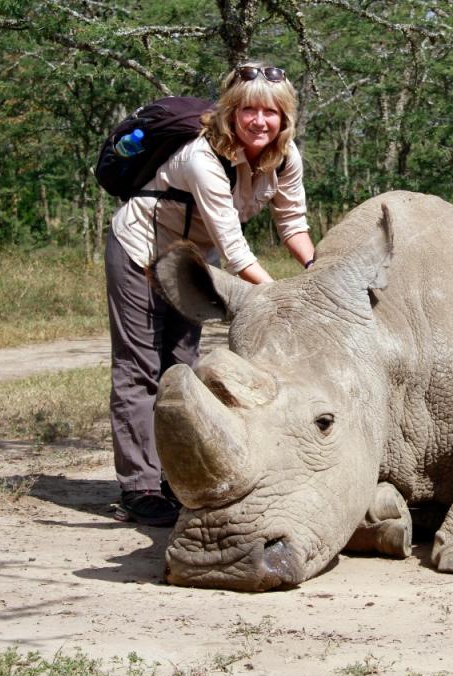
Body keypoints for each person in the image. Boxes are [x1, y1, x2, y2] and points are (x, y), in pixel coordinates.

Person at [105, 62, 316, 526]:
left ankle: (174, 476)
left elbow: (293, 224)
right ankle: (140, 487)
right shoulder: (203, 156)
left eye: (271, 112)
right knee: (139, 366)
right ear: (231, 112)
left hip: (193, 259)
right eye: (248, 110)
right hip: (140, 248)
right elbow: (235, 248)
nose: (259, 121)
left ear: (285, 118)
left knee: (182, 366)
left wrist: (318, 272)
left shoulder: (286, 156)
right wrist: (288, 297)